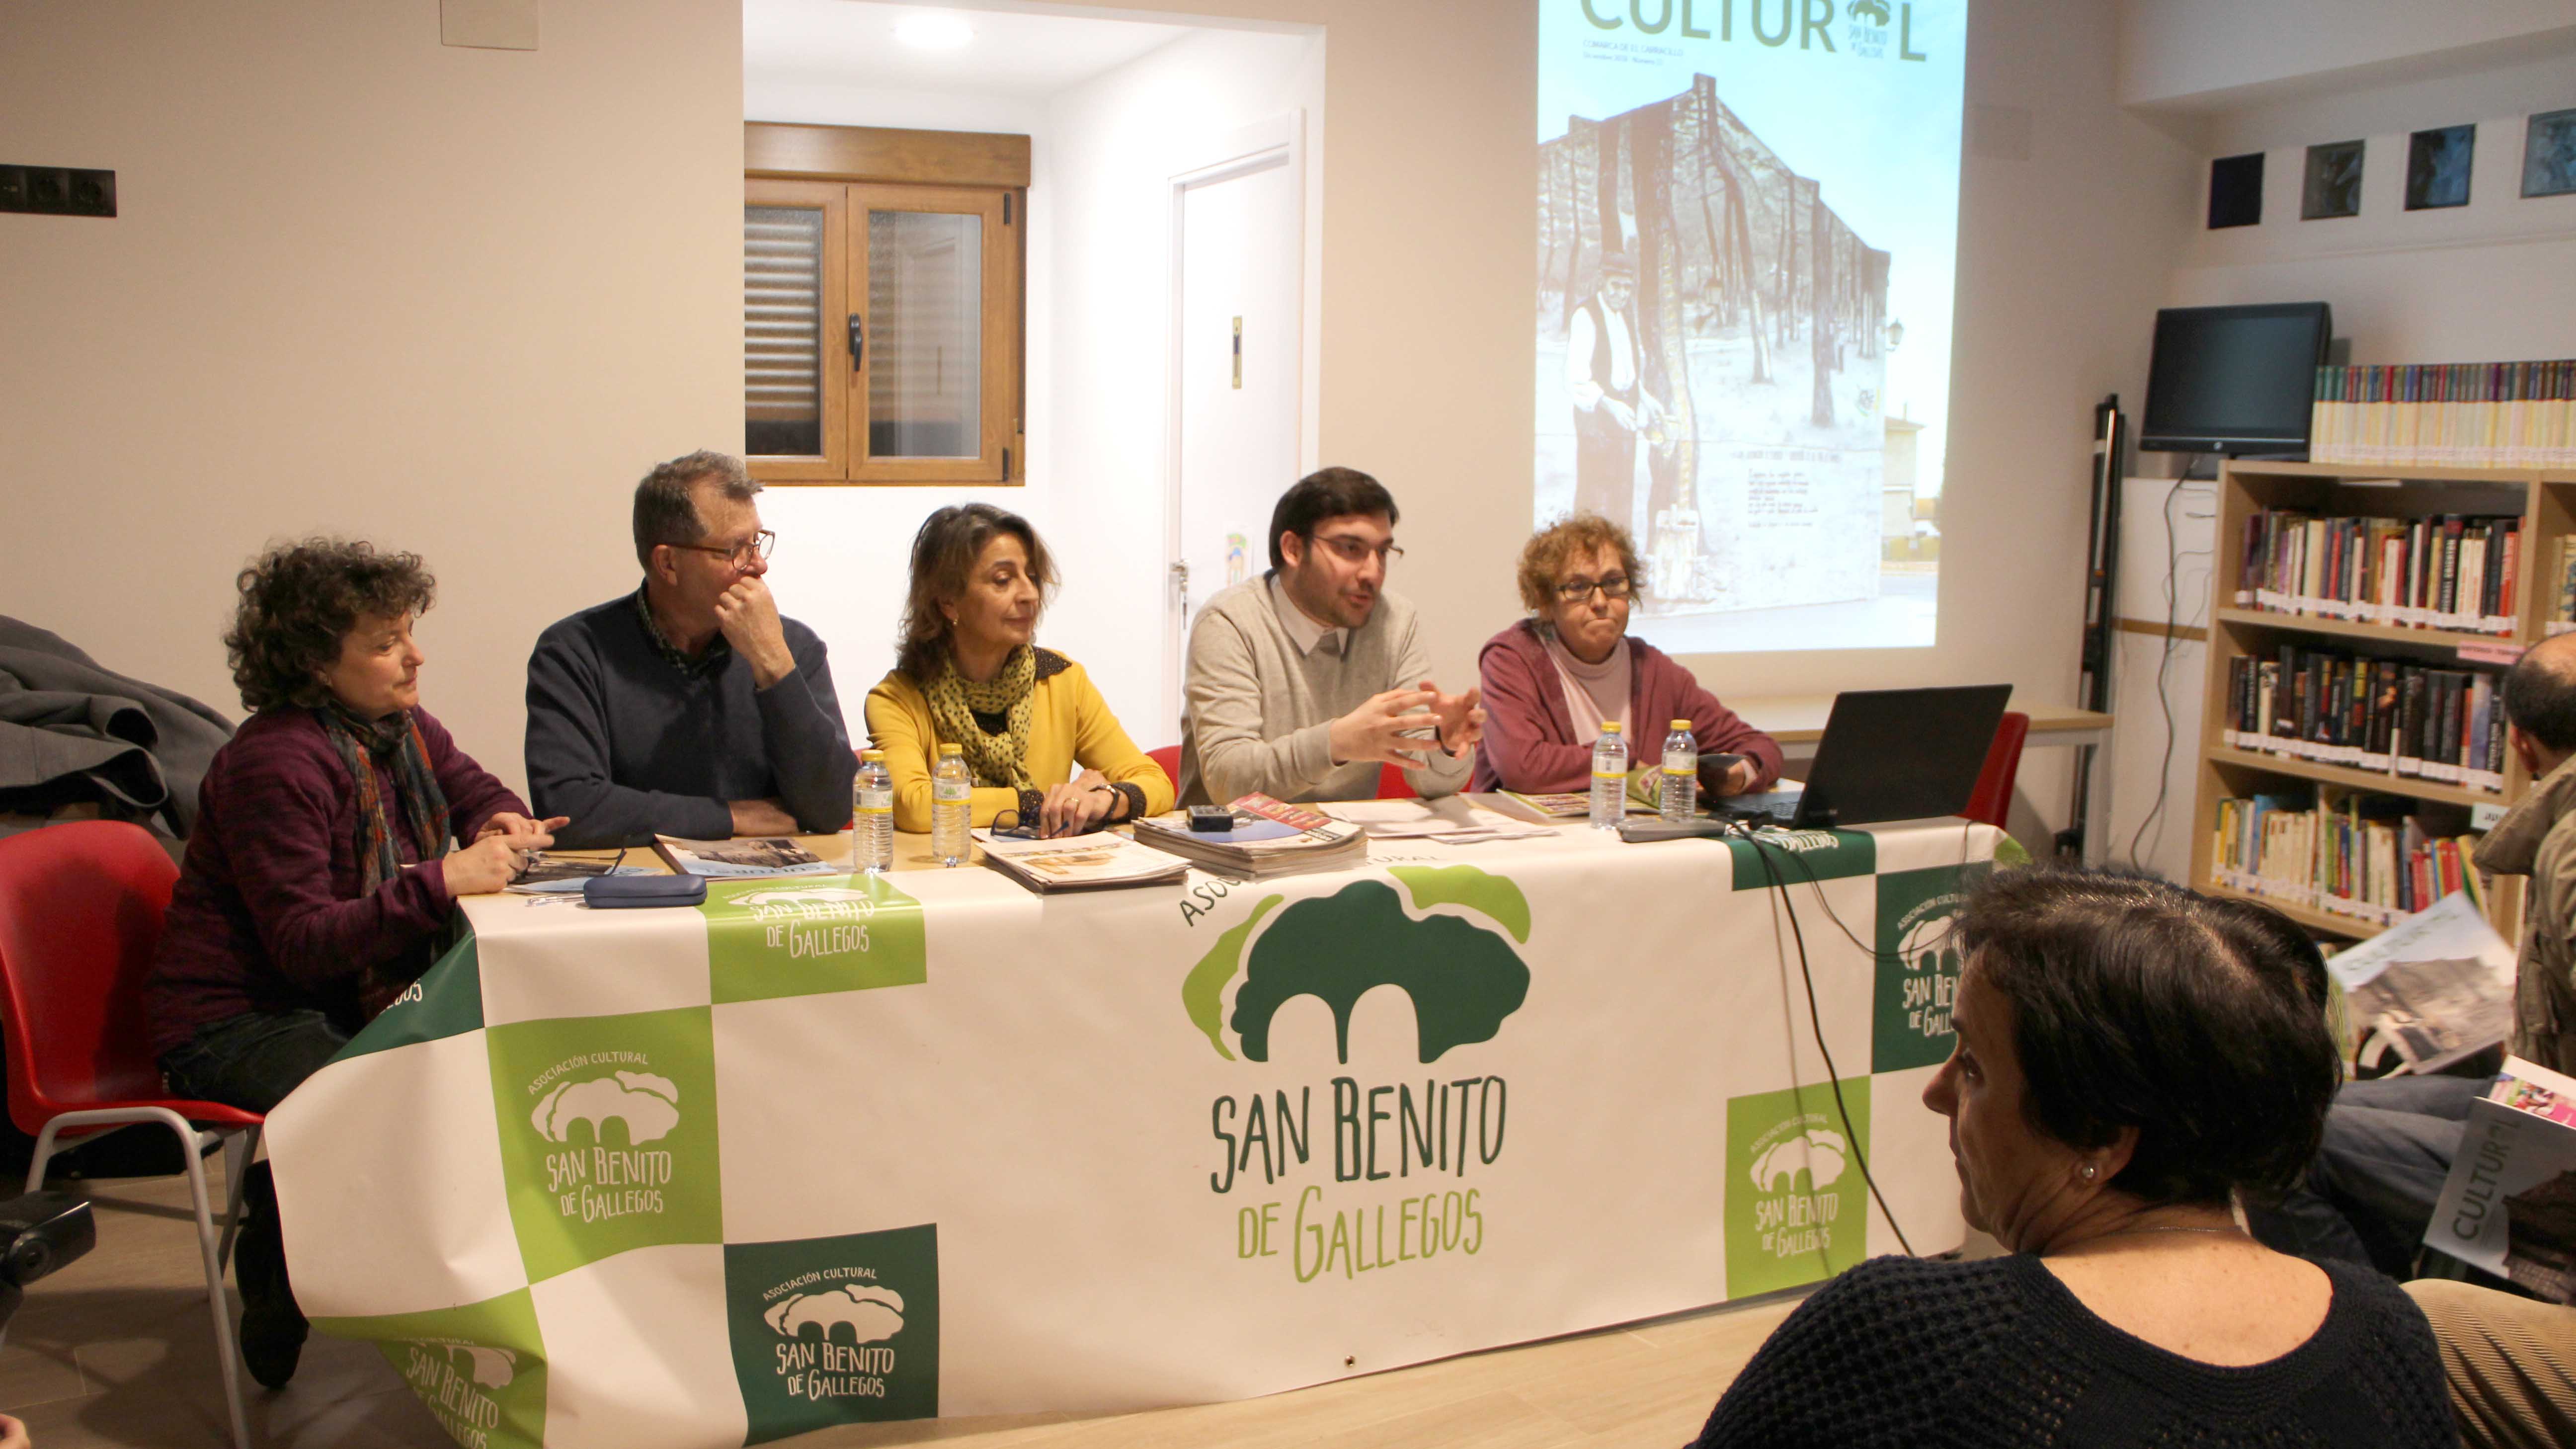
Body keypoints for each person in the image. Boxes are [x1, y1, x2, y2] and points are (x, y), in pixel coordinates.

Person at [1693, 867, 2454, 1448]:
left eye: (1974, 1066)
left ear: (2100, 1137)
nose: (1936, 1092)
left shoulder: (1913, 1336)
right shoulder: (2390, 1333)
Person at [145, 540, 562, 1389]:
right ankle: (285, 1244)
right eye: (384, 642)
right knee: (405, 1098)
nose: (415, 656)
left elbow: (477, 790)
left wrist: (500, 822)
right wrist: (442, 881)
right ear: (313, 665)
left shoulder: (398, 730)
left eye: (408, 632)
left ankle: (324, 1234)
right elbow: (301, 944)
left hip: (328, 996)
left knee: (493, 1067)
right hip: (231, 1019)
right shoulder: (275, 763)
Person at [2255, 632, 2576, 1279]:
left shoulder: (2571, 847)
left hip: (2556, 1135)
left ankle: (2368, 1344)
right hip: (2541, 1094)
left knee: (2276, 1145)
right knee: (2313, 1106)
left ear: (2518, 741)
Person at [524, 450, 855, 847]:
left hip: (771, 898)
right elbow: (569, 807)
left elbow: (835, 806)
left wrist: (773, 666)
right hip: (638, 897)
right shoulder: (575, 652)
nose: (759, 566)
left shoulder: (793, 647)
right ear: (668, 564)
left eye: (758, 542)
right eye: (736, 549)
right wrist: (731, 817)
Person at [1180, 467, 1484, 806]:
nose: (1373, 572)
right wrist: (1336, 742)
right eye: (1351, 548)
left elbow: (1430, 783)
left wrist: (1443, 744)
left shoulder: (1395, 620)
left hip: (1347, 850)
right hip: (1226, 846)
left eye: (1382, 552)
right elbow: (1228, 780)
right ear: (1293, 549)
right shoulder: (1230, 621)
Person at [865, 505, 1173, 834]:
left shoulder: (1063, 680)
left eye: (1033, 577)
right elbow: (916, 807)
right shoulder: (898, 697)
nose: (1029, 594)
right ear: (948, 601)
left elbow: (1155, 782)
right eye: (1003, 580)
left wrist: (1104, 800)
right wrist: (1039, 803)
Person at [1473, 514, 1780, 797]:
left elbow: (1760, 747)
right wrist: (1626, 760)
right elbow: (1523, 768)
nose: (1600, 601)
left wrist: (1737, 775)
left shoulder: (1652, 667)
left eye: (1613, 583)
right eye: (1578, 587)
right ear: (1546, 602)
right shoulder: (1513, 658)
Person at [1565, 252, 1665, 534]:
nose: (1621, 294)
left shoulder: (1624, 318)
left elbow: (1627, 373)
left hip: (1624, 414)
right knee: (1595, 494)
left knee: (1623, 487)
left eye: (1626, 287)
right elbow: (1577, 379)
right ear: (1602, 281)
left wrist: (1645, 397)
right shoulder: (1586, 316)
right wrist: (1610, 405)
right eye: (1615, 286)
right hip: (1596, 417)